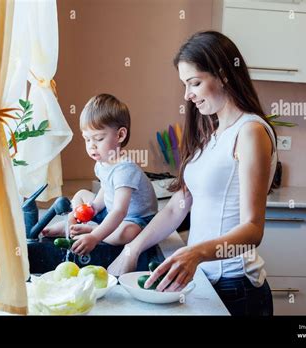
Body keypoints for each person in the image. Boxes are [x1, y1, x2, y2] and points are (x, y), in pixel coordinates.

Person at [108, 31, 277, 316]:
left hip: (237, 289)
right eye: (185, 85)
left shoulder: (250, 132)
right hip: (205, 282)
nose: (188, 95)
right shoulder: (212, 135)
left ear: (223, 75)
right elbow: (177, 208)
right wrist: (132, 250)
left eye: (194, 83)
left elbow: (252, 230)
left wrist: (195, 253)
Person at [42, 93, 158, 256]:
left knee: (126, 234)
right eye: (87, 139)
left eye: (98, 138)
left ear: (120, 135)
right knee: (81, 194)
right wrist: (95, 206)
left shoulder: (125, 170)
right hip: (109, 211)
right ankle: (72, 226)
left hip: (135, 219)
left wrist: (95, 236)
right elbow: (106, 187)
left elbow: (120, 211)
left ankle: (92, 230)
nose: (91, 146)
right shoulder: (102, 162)